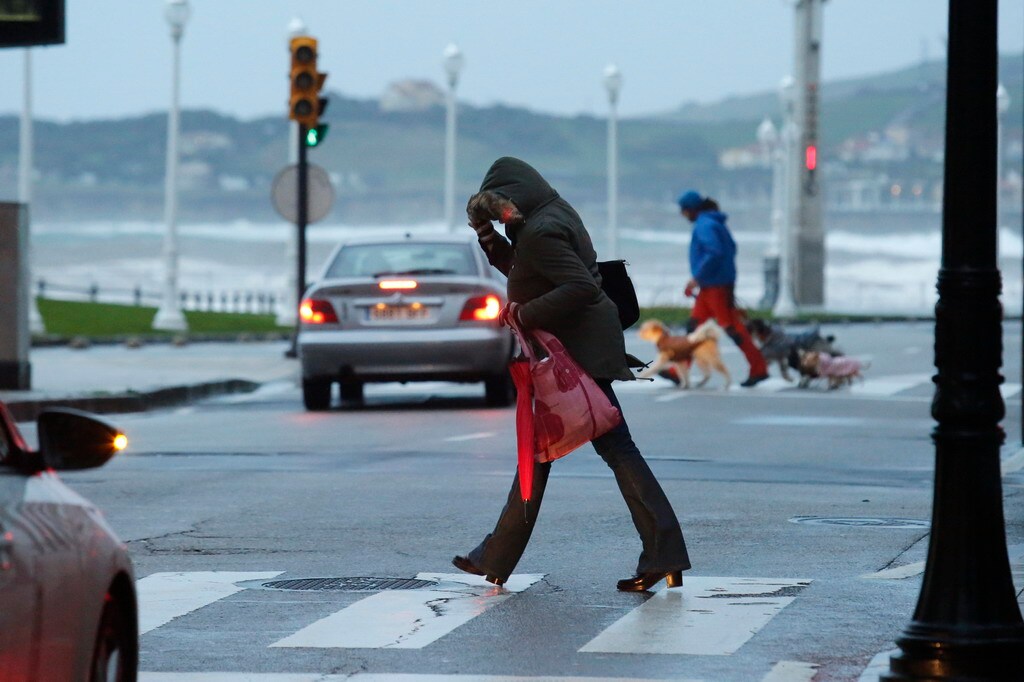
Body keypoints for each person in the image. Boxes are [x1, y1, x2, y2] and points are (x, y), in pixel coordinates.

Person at [452, 156, 691, 592]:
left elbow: (579, 286)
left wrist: (523, 312)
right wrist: (487, 237)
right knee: (545, 452)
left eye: (499, 213)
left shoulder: (540, 230)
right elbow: (525, 269)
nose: (503, 221)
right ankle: (497, 556)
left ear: (512, 198)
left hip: (574, 352)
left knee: (606, 451)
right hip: (575, 348)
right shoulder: (546, 216)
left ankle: (664, 553)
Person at [678, 189, 769, 388]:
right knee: (694, 327)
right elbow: (731, 249)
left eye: (683, 210)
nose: (682, 214)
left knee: (733, 328)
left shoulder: (705, 225)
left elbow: (715, 252)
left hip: (715, 287)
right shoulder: (715, 223)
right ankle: (677, 370)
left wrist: (697, 278)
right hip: (713, 285)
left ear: (691, 209)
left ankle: (759, 368)